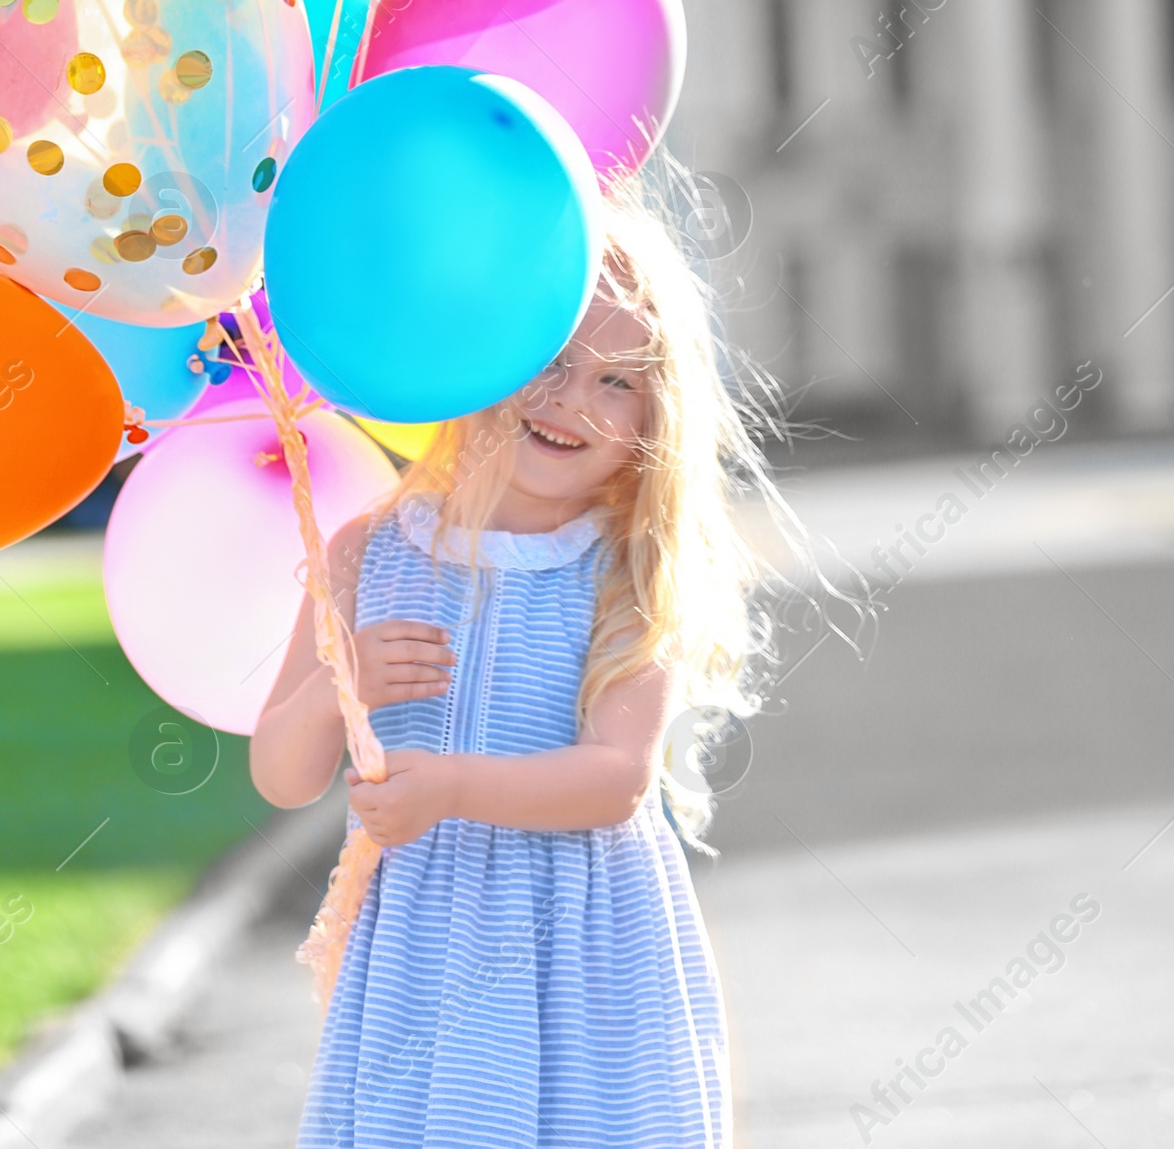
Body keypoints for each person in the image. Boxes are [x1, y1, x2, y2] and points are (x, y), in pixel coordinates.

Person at [250, 179, 778, 1148]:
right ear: (485, 349)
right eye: (553, 358)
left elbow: (616, 779)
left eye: (618, 381)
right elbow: (280, 775)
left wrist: (450, 785)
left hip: (584, 944)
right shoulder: (367, 553)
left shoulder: (625, 570)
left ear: (654, 424)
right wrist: (342, 684)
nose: (573, 399)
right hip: (425, 933)